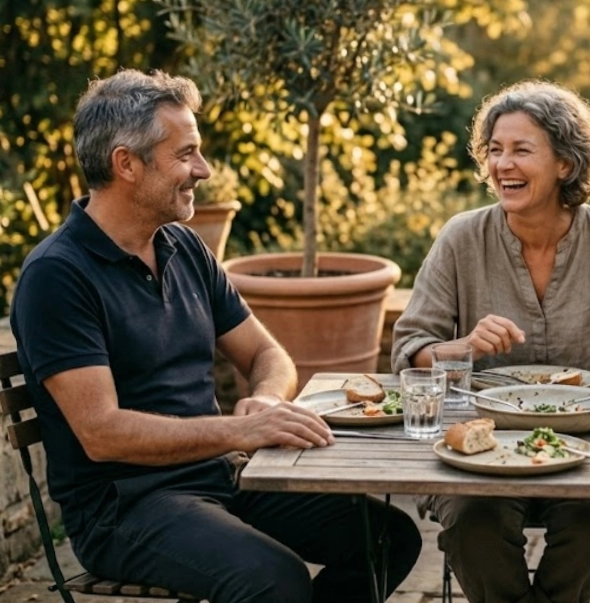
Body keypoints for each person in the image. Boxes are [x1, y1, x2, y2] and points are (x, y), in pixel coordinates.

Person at [10, 69, 422, 603]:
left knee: (388, 537)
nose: (202, 170)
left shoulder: (184, 247)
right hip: (125, 507)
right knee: (274, 579)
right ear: (125, 163)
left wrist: (266, 400)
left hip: (219, 478)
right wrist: (237, 433)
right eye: (185, 154)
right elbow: (102, 432)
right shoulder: (56, 276)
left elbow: (266, 352)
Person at [391, 80, 590, 603]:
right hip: (479, 448)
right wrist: (461, 346)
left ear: (565, 164)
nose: (502, 165)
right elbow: (410, 347)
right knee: (474, 526)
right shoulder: (462, 236)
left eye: (521, 150)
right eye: (494, 150)